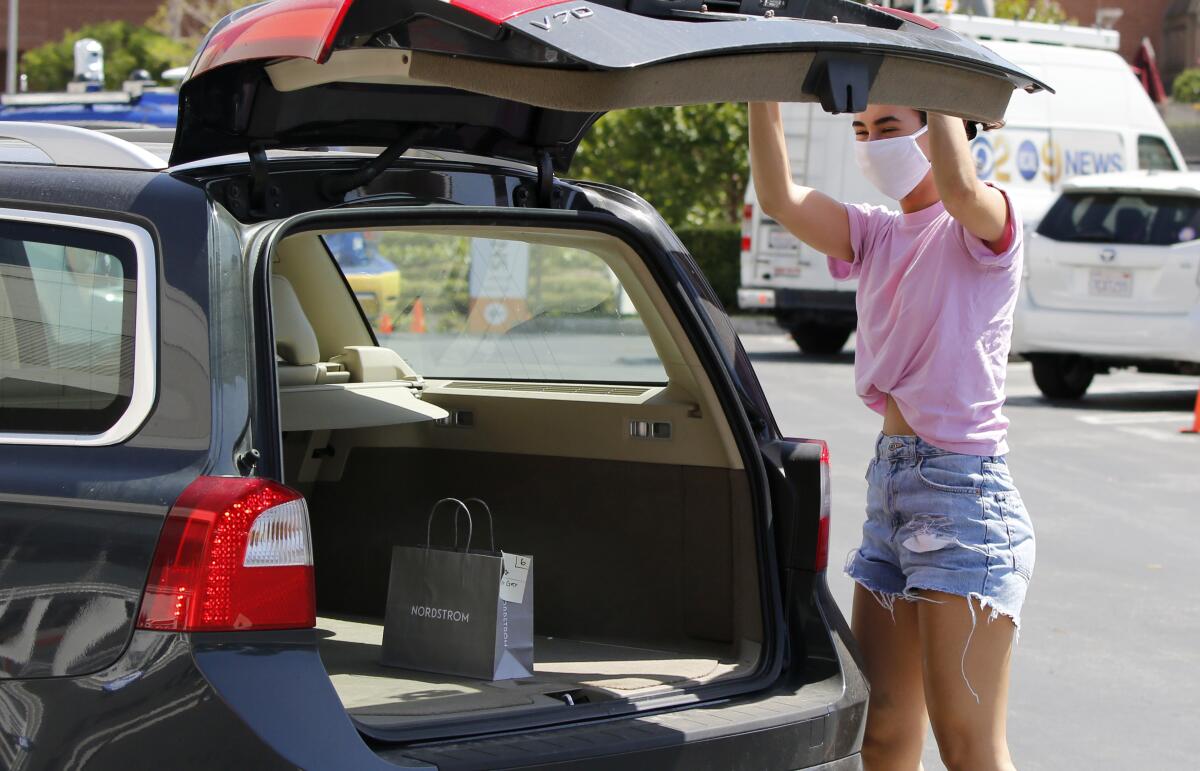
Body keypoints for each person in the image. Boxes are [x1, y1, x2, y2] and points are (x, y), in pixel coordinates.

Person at [748, 102, 1035, 771]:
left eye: (890, 127)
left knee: (967, 744)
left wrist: (940, 90)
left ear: (944, 123)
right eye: (861, 130)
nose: (873, 143)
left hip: (966, 497)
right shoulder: (876, 234)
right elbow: (780, 197)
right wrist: (761, 95)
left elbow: (961, 189)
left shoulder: (983, 219)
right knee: (879, 732)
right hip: (892, 490)